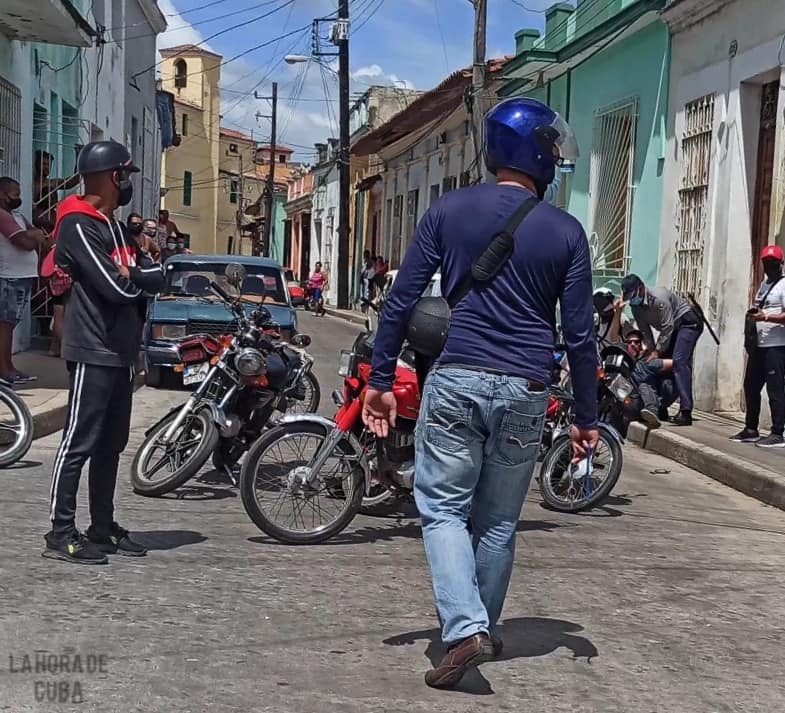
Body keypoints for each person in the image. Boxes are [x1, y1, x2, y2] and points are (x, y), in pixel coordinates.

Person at [361, 97, 598, 689]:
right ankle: (479, 629)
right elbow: (580, 335)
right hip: (526, 388)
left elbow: (401, 299)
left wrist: (382, 380)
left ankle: (463, 627)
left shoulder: (449, 210)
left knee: (441, 509)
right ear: (538, 155)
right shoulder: (566, 231)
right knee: (497, 524)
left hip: (457, 378)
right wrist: (587, 417)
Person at [44, 140, 165, 565]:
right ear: (114, 176)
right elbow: (113, 289)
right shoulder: (79, 224)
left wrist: (133, 273)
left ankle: (102, 525)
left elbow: (156, 275)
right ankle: (59, 532)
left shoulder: (113, 226)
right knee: (78, 442)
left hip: (121, 351)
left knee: (111, 444)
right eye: (126, 175)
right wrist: (134, 279)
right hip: (93, 346)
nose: (128, 183)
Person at [621, 274, 703, 426]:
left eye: (632, 295)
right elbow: (645, 332)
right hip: (672, 330)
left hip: (687, 323)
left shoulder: (659, 299)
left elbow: (668, 327)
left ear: (640, 289)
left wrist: (657, 351)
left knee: (679, 362)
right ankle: (660, 405)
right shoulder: (635, 308)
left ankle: (686, 411)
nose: (631, 300)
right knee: (654, 366)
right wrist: (651, 352)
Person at [731, 245, 785, 447]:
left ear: (780, 264)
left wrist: (766, 317)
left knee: (775, 390)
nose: (769, 267)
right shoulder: (764, 285)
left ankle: (778, 432)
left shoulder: (783, 285)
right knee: (751, 386)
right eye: (766, 263)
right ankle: (750, 428)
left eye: (772, 263)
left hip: (777, 346)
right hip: (759, 346)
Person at [0, 177, 50, 382]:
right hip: (8, 277)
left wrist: (35, 235)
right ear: (2, 195)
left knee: (10, 324)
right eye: (15, 194)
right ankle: (4, 370)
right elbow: (24, 242)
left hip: (21, 277)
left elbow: (41, 238)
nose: (18, 198)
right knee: (4, 325)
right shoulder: (2, 216)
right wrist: (34, 236)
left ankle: (9, 367)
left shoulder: (17, 216)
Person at [623, 328, 675, 428]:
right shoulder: (622, 364)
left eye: (636, 342)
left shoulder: (647, 362)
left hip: (648, 402)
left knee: (644, 383)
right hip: (631, 403)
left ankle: (652, 410)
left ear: (640, 345)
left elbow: (677, 364)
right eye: (629, 342)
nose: (632, 344)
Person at [32, 150, 81, 232]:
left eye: (49, 165)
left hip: (52, 222)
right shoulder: (31, 183)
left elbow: (74, 180)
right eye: (44, 164)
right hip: (37, 222)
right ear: (37, 163)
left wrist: (78, 156)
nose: (46, 167)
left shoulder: (52, 183)